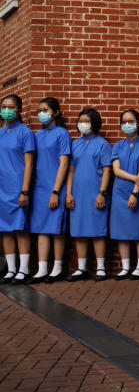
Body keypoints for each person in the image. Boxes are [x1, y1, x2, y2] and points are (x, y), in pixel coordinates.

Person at [66, 108, 112, 281]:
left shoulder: (102, 144)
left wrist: (102, 193)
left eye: (86, 120)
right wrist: (68, 193)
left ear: (94, 123)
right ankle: (82, 267)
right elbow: (70, 171)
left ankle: (101, 267)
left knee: (97, 229)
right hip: (77, 193)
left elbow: (107, 171)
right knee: (79, 230)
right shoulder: (74, 144)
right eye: (81, 120)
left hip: (95, 192)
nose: (82, 124)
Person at [30, 97, 71, 283]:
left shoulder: (62, 134)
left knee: (56, 228)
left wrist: (56, 191)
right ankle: (41, 269)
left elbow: (64, 164)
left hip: (55, 187)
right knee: (41, 229)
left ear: (55, 112)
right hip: (38, 188)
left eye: (45, 109)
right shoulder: (36, 135)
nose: (41, 113)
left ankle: (57, 268)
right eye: (39, 110)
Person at [109, 109, 139, 279]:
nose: (127, 125)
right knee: (121, 230)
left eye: (131, 121)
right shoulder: (117, 146)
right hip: (120, 192)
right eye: (124, 121)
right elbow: (116, 170)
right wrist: (136, 179)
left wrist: (135, 192)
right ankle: (125, 267)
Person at [0, 95, 36, 284]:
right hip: (1, 188)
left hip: (17, 187)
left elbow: (29, 164)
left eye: (11, 107)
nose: (7, 110)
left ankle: (23, 269)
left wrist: (24, 190)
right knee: (5, 229)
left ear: (19, 110)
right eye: (4, 106)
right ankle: (11, 269)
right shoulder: (0, 132)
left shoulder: (25, 133)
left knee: (20, 228)